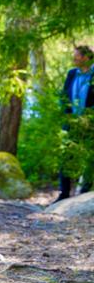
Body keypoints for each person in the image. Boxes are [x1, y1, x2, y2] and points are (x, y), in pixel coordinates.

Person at [55, 45, 94, 202]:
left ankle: (84, 192)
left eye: (76, 56)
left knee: (89, 158)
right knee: (66, 157)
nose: (74, 58)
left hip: (90, 125)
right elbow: (64, 96)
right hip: (72, 124)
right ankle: (64, 193)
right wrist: (65, 116)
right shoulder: (72, 74)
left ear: (86, 57)